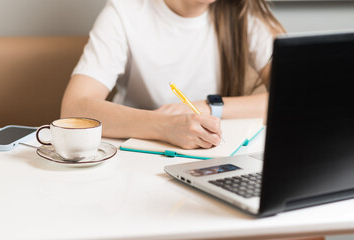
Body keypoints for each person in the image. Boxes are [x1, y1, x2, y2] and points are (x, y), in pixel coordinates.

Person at [61, 0, 284, 150]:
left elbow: (294, 96)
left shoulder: (243, 11)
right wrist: (164, 126)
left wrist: (209, 107)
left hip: (214, 154)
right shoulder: (125, 11)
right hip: (138, 156)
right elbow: (74, 108)